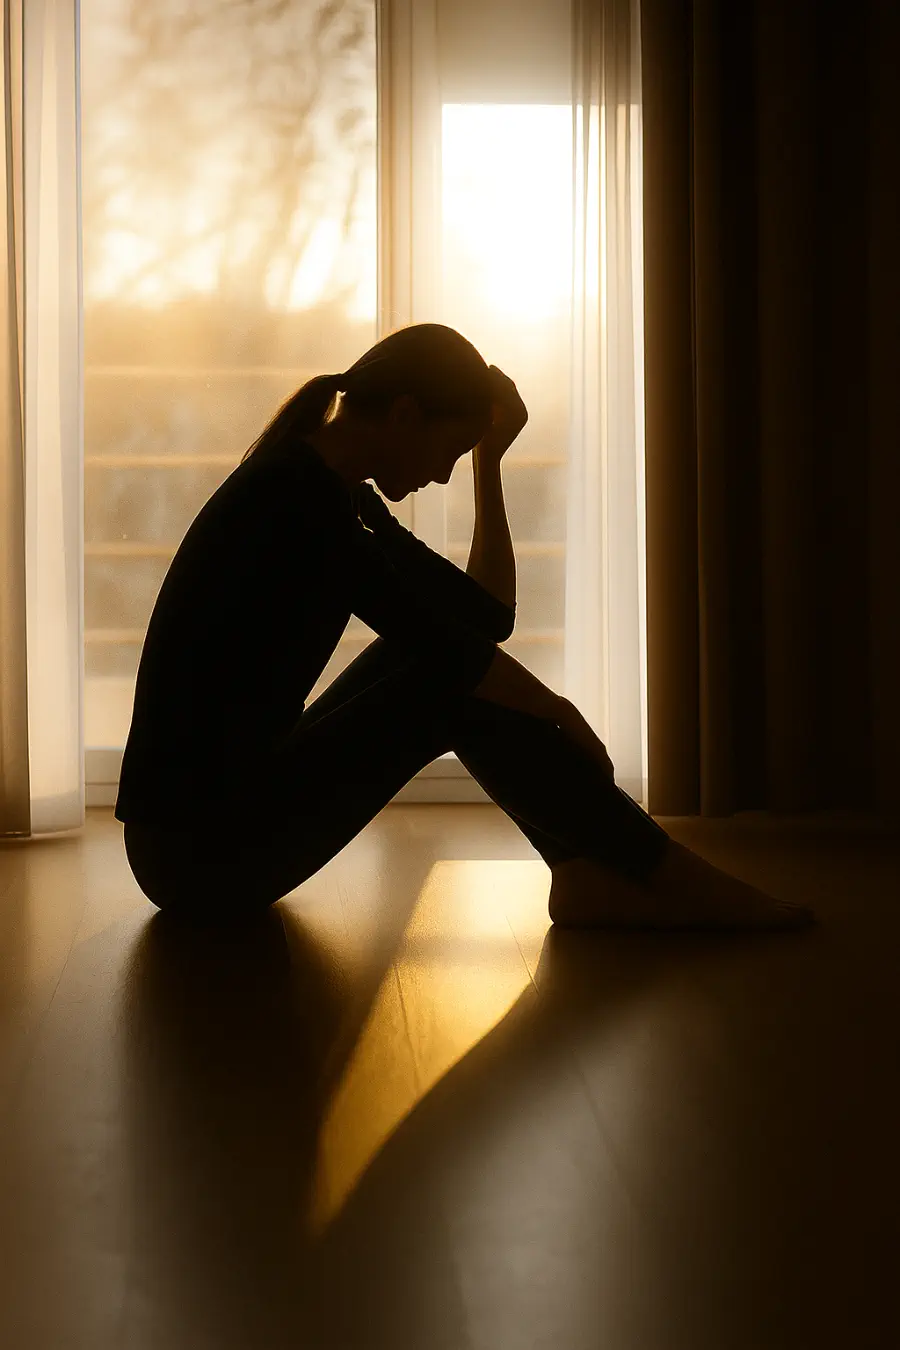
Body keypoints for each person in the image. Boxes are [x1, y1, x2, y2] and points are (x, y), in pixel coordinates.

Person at [118, 322, 816, 931]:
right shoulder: (299, 501)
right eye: (448, 453)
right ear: (403, 415)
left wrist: (489, 461)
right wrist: (561, 711)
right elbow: (451, 652)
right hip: (198, 860)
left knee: (437, 666)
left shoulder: (333, 494)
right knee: (443, 683)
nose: (443, 477)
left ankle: (582, 872)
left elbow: (484, 618)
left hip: (208, 833)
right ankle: (665, 872)